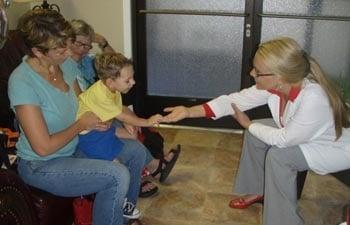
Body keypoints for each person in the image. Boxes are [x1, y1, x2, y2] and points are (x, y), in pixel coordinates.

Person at [163, 37, 350, 225]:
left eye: (258, 72)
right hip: (305, 134)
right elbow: (233, 101)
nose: (252, 73)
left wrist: (249, 125)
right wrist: (188, 111)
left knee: (279, 157)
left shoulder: (313, 97)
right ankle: (259, 190)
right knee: (258, 133)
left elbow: (284, 139)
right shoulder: (278, 86)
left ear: (279, 76)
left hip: (333, 148)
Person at [8, 9, 144, 225]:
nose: (67, 51)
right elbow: (43, 147)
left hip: (76, 143)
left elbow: (85, 106)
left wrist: (109, 121)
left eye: (67, 42)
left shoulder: (65, 64)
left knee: (136, 151)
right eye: (59, 48)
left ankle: (121, 214)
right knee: (116, 175)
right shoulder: (22, 82)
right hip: (43, 164)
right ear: (38, 52)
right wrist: (82, 123)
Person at [70, 19, 180, 197]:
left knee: (134, 130)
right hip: (93, 127)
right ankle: (142, 175)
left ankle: (150, 168)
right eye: (79, 43)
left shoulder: (90, 62)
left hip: (105, 114)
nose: (84, 48)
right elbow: (93, 105)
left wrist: (103, 42)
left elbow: (119, 68)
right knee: (130, 134)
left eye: (88, 45)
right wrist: (141, 120)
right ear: (67, 41)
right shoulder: (68, 70)